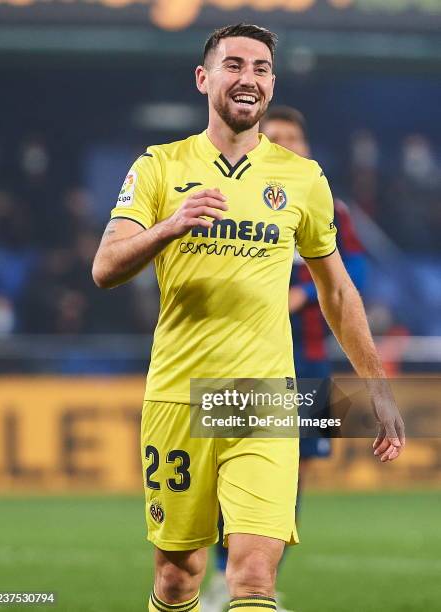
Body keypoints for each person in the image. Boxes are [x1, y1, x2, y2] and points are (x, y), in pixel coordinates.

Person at [92, 24, 405, 612]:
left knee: (255, 571)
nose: (248, 78)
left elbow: (337, 289)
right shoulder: (159, 167)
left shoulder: (302, 178)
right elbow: (105, 267)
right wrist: (169, 226)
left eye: (261, 68)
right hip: (179, 395)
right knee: (177, 576)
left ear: (271, 84)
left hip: (263, 395)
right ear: (203, 78)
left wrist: (376, 384)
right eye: (234, 65)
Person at [201, 106, 367, 612]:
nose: (287, 146)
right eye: (276, 138)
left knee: (292, 476)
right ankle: (218, 577)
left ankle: (260, 578)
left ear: (308, 148)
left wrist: (300, 292)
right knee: (227, 473)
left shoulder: (328, 207)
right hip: (240, 361)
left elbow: (352, 272)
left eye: (294, 138)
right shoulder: (230, 199)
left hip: (309, 362)